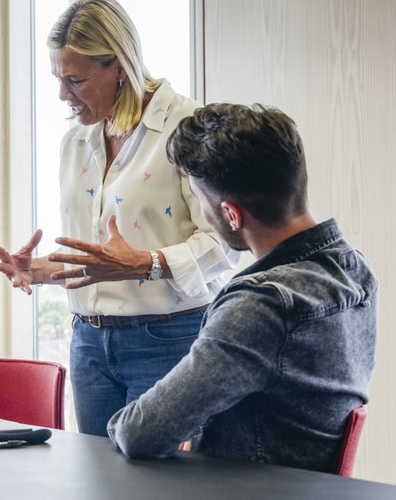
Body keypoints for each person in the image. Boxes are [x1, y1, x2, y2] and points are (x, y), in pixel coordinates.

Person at [0, 0, 237, 436]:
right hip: (88, 343)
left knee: (159, 487)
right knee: (98, 482)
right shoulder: (76, 140)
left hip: (169, 341)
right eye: (57, 78)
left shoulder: (188, 126)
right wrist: (44, 270)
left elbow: (226, 244)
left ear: (119, 67)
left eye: (75, 80)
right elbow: (100, 258)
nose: (62, 94)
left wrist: (147, 263)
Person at [107, 103, 378, 472]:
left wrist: (124, 425)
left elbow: (140, 432)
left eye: (200, 202)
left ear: (231, 214)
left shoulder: (262, 305)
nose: (203, 214)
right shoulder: (354, 270)